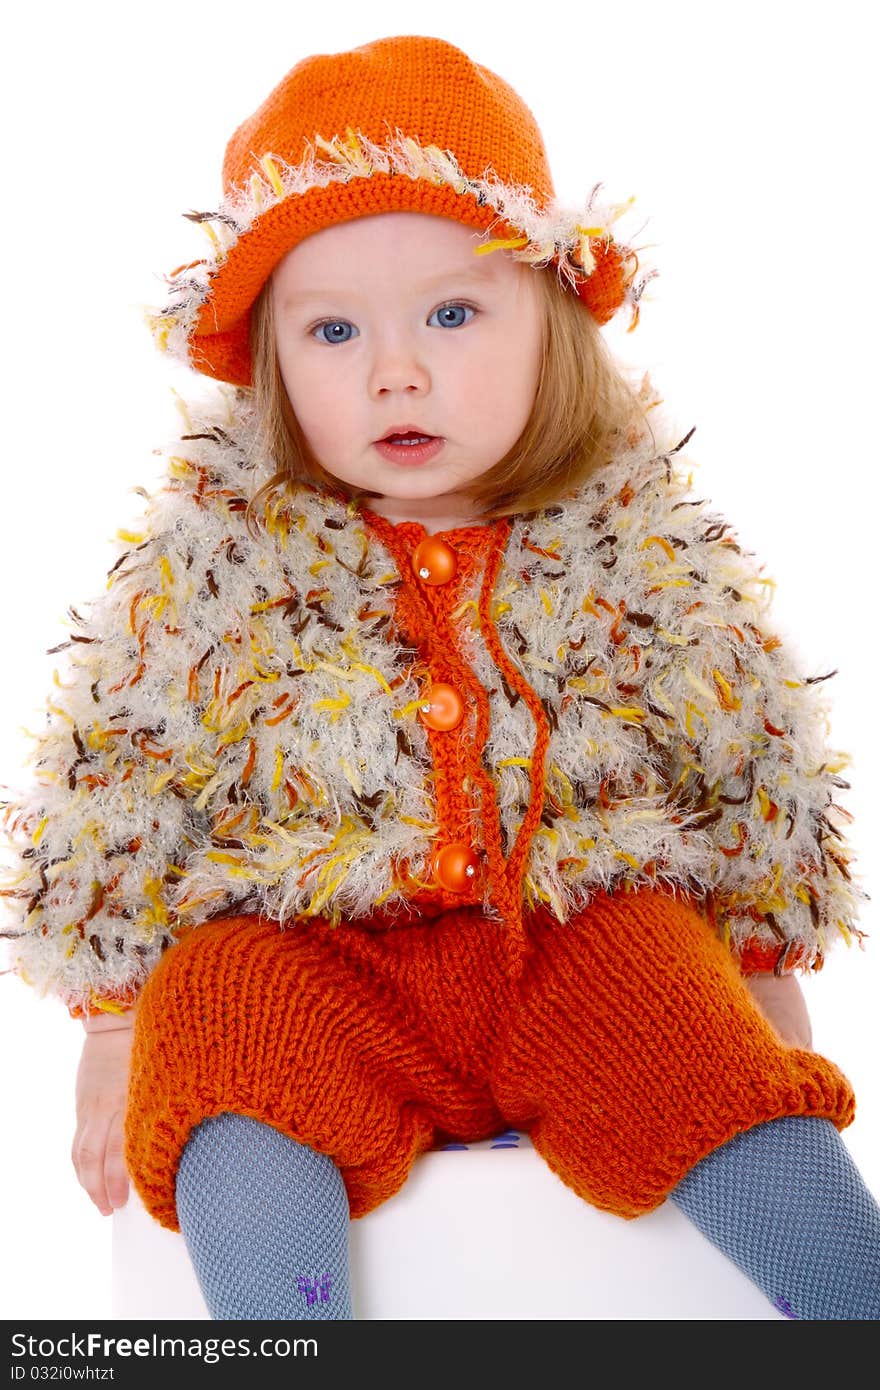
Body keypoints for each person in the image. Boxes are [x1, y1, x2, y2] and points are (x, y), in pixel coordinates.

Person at [1, 33, 878, 1322]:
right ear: (273, 364)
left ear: (552, 325)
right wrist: (118, 1028)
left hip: (574, 947)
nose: (392, 370)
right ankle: (289, 1335)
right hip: (322, 963)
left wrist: (759, 973)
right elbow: (120, 787)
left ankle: (846, 1305)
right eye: (334, 328)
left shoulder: (636, 547)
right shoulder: (219, 560)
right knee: (223, 1023)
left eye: (452, 314)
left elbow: (743, 764)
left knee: (697, 1039)